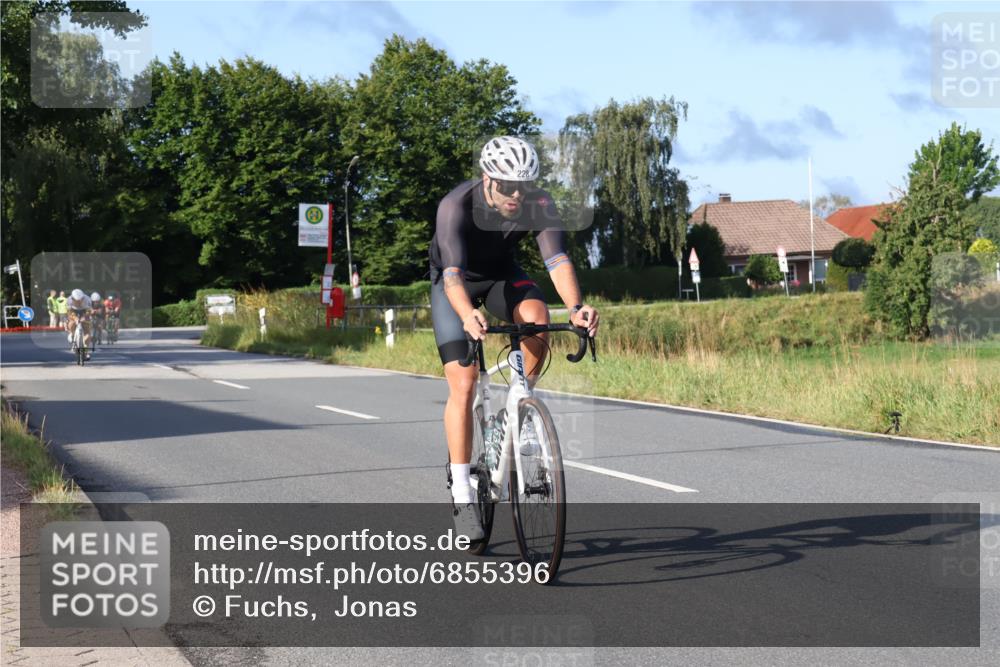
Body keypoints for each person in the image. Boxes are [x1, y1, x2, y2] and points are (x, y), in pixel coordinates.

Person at [429, 136, 600, 539]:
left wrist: (576, 308)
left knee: (538, 315)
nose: (516, 195)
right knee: (465, 383)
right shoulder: (457, 206)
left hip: (501, 277)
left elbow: (556, 259)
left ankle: (520, 403)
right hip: (454, 284)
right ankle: (463, 492)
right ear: (488, 179)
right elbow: (452, 274)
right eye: (507, 186)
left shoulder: (538, 203)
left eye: (523, 185)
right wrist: (467, 313)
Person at [65, 289, 93, 358]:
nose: (79, 302)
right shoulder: (69, 300)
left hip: (84, 311)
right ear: (72, 299)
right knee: (71, 324)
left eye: (81, 300)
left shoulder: (87, 299)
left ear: (83, 297)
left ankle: (85, 352)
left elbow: (89, 311)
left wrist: (84, 317)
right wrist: (75, 318)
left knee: (87, 330)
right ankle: (73, 334)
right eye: (77, 301)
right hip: (73, 311)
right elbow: (69, 313)